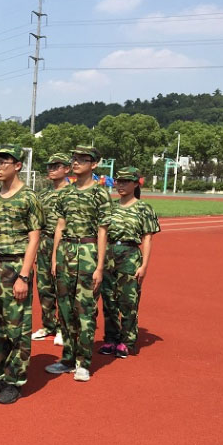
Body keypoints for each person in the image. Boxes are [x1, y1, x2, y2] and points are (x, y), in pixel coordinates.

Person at [0, 144, 43, 404]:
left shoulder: (29, 197)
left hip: (16, 268)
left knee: (17, 328)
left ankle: (15, 381)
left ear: (17, 165)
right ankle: (0, 376)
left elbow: (34, 237)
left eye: (5, 161)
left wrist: (24, 276)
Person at [46, 145, 111, 383]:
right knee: (64, 309)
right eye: (74, 159)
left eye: (83, 159)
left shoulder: (100, 193)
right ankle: (67, 358)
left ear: (94, 165)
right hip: (65, 252)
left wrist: (100, 266)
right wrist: (54, 257)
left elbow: (103, 231)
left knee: (85, 310)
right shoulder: (65, 193)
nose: (76, 162)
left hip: (88, 251)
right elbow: (60, 226)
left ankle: (83, 362)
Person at [98, 168, 160, 358]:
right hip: (110, 254)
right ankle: (111, 339)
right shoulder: (110, 207)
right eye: (118, 181)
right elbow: (102, 233)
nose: (121, 185)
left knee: (128, 300)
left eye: (126, 181)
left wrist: (144, 266)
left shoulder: (144, 208)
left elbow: (148, 238)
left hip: (130, 254)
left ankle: (127, 340)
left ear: (136, 184)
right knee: (108, 299)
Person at [32, 153, 71, 346]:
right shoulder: (43, 194)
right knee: (44, 286)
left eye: (56, 166)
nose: (51, 169)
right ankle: (48, 324)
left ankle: (65, 328)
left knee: (62, 287)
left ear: (67, 169)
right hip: (44, 242)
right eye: (49, 166)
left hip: (64, 244)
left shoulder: (72, 193)